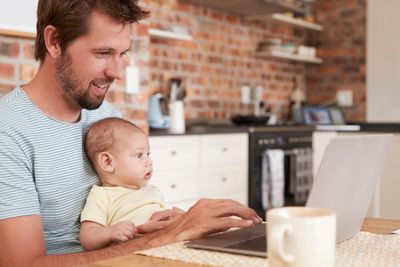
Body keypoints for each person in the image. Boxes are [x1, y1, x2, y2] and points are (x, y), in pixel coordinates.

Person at [0, 0, 262, 266]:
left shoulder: (106, 116)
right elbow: (22, 264)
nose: (117, 72)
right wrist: (168, 236)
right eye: (103, 53)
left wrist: (169, 221)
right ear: (54, 41)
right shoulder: (8, 132)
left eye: (122, 54)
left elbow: (127, 204)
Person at [80, 117, 180, 251]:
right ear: (108, 162)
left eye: (148, 154)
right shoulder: (101, 196)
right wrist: (109, 233)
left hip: (169, 245)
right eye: (139, 155)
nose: (149, 161)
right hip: (136, 253)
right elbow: (87, 237)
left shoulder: (152, 190)